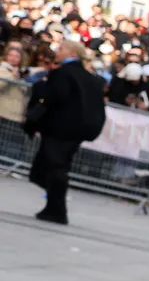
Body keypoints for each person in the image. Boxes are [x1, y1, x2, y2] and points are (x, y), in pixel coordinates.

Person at [23, 39, 105, 225]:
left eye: (60, 49)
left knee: (55, 166)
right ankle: (54, 205)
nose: (57, 51)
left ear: (72, 53)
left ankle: (56, 208)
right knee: (50, 166)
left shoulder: (64, 74)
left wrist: (40, 94)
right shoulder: (89, 77)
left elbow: (55, 98)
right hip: (75, 130)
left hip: (59, 129)